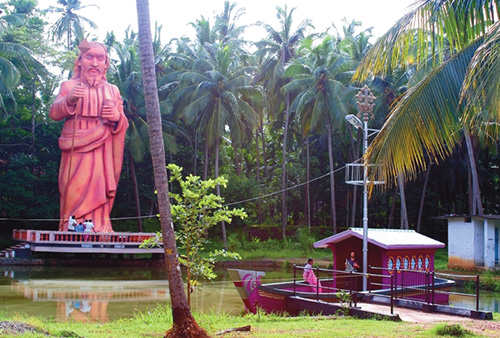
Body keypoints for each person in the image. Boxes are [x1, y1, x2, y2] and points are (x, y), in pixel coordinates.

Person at [49, 40, 128, 233]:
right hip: (75, 146)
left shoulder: (112, 90)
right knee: (73, 187)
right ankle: (69, 227)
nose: (94, 63)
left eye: (100, 58)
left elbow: (122, 121)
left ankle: (100, 227)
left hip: (103, 149)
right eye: (89, 57)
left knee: (100, 187)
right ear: (80, 61)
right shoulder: (69, 85)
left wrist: (117, 117)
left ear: (105, 64)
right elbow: (54, 113)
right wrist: (69, 99)